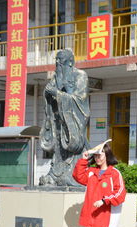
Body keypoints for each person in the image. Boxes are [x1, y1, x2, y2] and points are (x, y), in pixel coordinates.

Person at [72, 142, 126, 227]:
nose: (97, 158)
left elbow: (120, 193)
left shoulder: (114, 173)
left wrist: (104, 200)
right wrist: (83, 159)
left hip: (108, 217)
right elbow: (78, 176)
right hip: (92, 216)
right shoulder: (91, 172)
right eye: (95, 155)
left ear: (107, 155)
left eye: (100, 155)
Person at [40, 48, 90, 186]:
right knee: (58, 149)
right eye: (56, 61)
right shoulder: (56, 77)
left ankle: (71, 175)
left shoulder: (81, 76)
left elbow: (79, 100)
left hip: (73, 120)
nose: (57, 64)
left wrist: (57, 93)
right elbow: (49, 94)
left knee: (72, 147)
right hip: (59, 121)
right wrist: (49, 93)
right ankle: (55, 175)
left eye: (60, 61)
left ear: (69, 62)